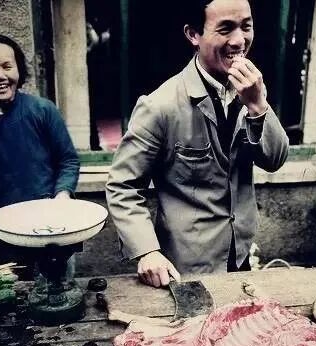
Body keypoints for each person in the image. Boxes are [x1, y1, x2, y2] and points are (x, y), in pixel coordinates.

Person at [106, 0, 289, 287]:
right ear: (193, 34)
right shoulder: (160, 106)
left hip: (240, 255)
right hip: (186, 268)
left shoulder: (251, 89)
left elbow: (275, 160)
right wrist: (147, 251)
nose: (239, 40)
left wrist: (257, 105)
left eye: (246, 26)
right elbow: (123, 186)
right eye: (225, 29)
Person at [0, 33, 80, 271]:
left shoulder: (43, 110)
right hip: (4, 237)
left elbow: (68, 160)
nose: (0, 76)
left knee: (60, 286)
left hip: (53, 228)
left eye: (7, 66)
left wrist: (62, 195)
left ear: (19, 70)